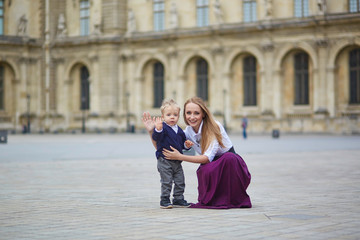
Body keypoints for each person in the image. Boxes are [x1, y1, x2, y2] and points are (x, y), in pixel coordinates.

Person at [143, 97, 251, 209]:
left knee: (225, 159)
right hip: (213, 165)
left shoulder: (214, 126)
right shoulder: (187, 131)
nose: (192, 117)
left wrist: (180, 156)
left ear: (203, 114)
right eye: (188, 113)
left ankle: (226, 196)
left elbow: (207, 158)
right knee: (203, 170)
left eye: (196, 113)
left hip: (230, 165)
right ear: (184, 115)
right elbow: (164, 148)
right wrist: (151, 132)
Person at [151, 99, 193, 209]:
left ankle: (178, 198)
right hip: (164, 160)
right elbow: (156, 138)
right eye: (169, 115)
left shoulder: (179, 130)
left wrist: (186, 145)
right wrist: (158, 129)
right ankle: (164, 199)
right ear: (163, 117)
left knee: (180, 180)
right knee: (167, 181)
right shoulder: (163, 128)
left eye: (175, 115)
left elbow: (181, 144)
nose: (172, 117)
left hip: (177, 162)